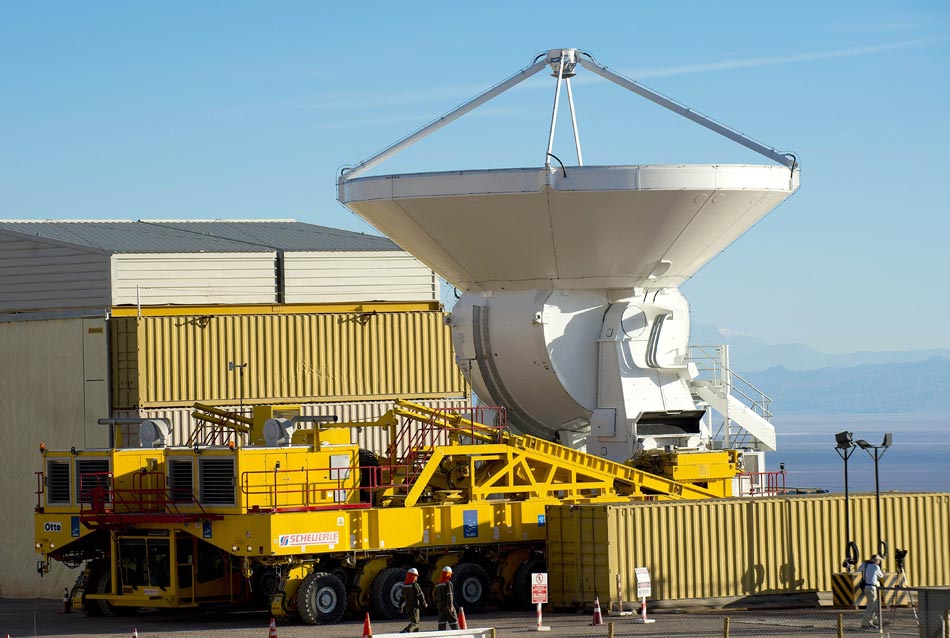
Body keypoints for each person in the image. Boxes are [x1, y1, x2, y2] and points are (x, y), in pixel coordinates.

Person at [859, 554, 885, 629]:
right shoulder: (875, 567)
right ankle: (866, 623)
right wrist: (882, 572)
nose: (879, 562)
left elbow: (859, 570)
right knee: (871, 606)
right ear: (875, 561)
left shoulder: (865, 564)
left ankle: (876, 620)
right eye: (878, 560)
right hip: (872, 587)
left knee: (875, 604)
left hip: (866, 586)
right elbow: (881, 576)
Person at [432, 565, 460, 631]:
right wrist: (450, 606)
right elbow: (449, 595)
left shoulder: (438, 583)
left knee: (442, 623)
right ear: (448, 574)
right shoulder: (448, 583)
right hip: (446, 605)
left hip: (439, 605)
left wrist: (438, 603)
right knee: (454, 622)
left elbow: (435, 594)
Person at [400, 567, 426, 633]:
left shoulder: (404, 585)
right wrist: (424, 603)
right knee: (415, 623)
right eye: (416, 576)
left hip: (408, 607)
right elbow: (420, 595)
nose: (417, 578)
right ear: (413, 576)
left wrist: (400, 606)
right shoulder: (415, 585)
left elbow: (402, 597)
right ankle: (406, 630)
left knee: (414, 621)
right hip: (414, 606)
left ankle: (416, 633)